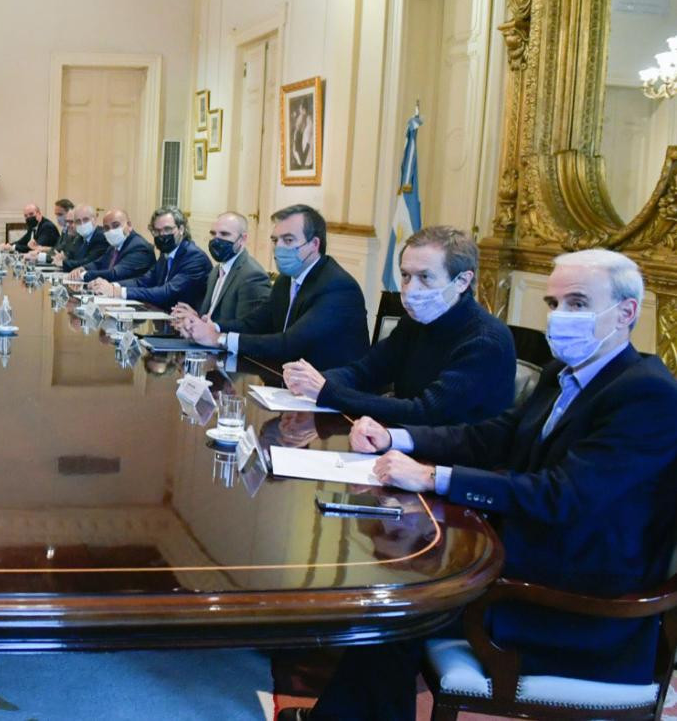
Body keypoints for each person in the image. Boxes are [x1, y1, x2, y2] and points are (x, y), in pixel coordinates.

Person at [290, 249, 677, 721]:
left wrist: (435, 477)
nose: (559, 317)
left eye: (576, 303)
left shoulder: (645, 392)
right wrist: (397, 437)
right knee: (392, 588)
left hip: (577, 599)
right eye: (554, 304)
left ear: (626, 312)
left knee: (399, 606)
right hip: (532, 553)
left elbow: (562, 495)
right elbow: (493, 434)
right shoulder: (564, 373)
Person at [283, 226, 515, 426]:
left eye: (424, 277)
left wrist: (327, 391)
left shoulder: (486, 340)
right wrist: (311, 380)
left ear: (462, 281)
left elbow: (425, 412)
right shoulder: (414, 322)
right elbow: (365, 372)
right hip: (403, 441)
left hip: (454, 464)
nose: (410, 288)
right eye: (405, 276)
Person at [183, 205, 368, 370]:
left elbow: (290, 343)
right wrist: (209, 326)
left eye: (288, 240)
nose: (278, 248)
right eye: (275, 240)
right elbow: (254, 323)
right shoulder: (286, 280)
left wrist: (219, 339)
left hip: (331, 392)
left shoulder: (337, 287)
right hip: (287, 380)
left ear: (314, 244)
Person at [88, 206, 211, 311]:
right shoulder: (166, 255)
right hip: (163, 315)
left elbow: (167, 292)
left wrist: (118, 292)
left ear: (181, 229)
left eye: (167, 229)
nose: (162, 235)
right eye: (157, 231)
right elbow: (143, 281)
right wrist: (110, 286)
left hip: (185, 327)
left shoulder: (194, 257)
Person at [171, 211, 270, 328]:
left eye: (224, 234)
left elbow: (249, 328)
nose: (216, 240)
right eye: (213, 234)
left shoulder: (252, 275)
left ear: (242, 239)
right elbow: (210, 316)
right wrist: (194, 317)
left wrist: (211, 327)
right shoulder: (216, 271)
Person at [68, 208, 156, 284]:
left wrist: (84, 275)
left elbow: (115, 274)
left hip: (136, 300)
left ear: (129, 225)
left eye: (116, 225)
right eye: (106, 228)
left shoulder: (139, 247)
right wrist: (82, 268)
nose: (111, 231)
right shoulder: (114, 245)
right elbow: (99, 263)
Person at [52, 204, 108, 272]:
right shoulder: (80, 237)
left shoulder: (101, 237)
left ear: (94, 219)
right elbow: (70, 255)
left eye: (86, 219)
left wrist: (63, 263)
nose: (82, 224)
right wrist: (63, 257)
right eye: (78, 221)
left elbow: (88, 262)